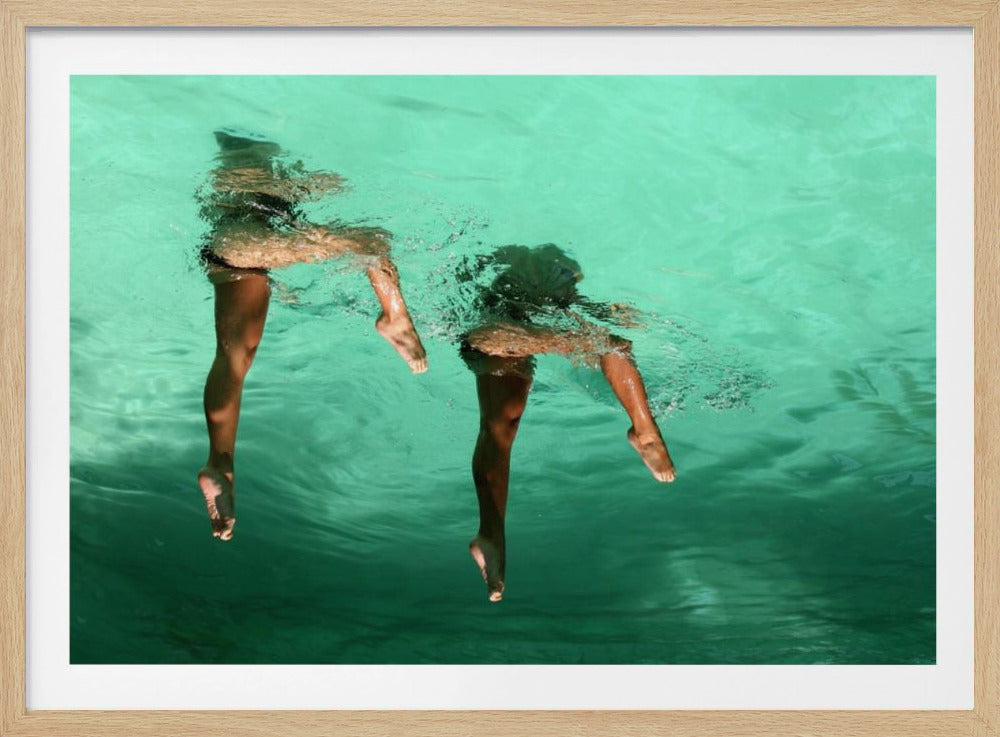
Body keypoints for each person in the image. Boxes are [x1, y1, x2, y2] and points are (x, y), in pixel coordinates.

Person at [196, 129, 427, 541]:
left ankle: (221, 461)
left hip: (234, 246)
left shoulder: (241, 170)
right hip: (240, 243)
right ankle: (394, 318)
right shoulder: (253, 164)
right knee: (370, 243)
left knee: (234, 358)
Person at [459, 244, 675, 601]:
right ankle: (645, 433)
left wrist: (601, 310)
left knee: (501, 426)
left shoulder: (537, 295)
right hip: (497, 336)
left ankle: (491, 534)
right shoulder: (528, 275)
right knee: (612, 346)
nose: (571, 289)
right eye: (568, 282)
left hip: (498, 342)